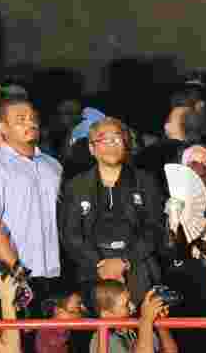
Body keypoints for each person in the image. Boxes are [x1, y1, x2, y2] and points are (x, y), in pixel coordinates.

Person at [0, 97, 63, 311]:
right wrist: (16, 268)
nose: (30, 123)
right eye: (21, 119)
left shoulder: (53, 166)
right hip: (11, 277)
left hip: (52, 273)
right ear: (3, 128)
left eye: (33, 119)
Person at [60, 117, 165, 304]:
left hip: (138, 267)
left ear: (126, 145)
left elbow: (155, 228)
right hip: (93, 270)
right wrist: (100, 264)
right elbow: (70, 234)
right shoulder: (76, 185)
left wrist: (125, 261)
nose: (111, 145)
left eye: (117, 139)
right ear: (92, 148)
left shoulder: (145, 181)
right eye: (104, 140)